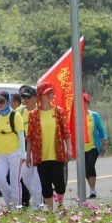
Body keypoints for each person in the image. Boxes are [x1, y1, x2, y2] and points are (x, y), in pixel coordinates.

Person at [26, 81, 72, 213]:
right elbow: (30, 136)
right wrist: (28, 155)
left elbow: (66, 132)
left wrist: (69, 149)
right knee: (45, 185)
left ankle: (61, 205)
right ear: (39, 96)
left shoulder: (58, 111)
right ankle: (51, 210)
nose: (50, 95)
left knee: (59, 183)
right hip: (41, 155)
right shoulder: (34, 114)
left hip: (57, 154)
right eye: (47, 93)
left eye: (52, 92)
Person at [0, 91, 24, 211]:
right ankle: (11, 203)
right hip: (1, 154)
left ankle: (17, 209)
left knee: (15, 181)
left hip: (15, 153)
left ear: (8, 101)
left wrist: (23, 154)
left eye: (2, 101)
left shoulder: (15, 116)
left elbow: (21, 135)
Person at [16, 85, 43, 209]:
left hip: (39, 148)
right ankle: (38, 197)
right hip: (26, 148)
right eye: (23, 97)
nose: (26, 99)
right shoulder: (20, 112)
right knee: (24, 176)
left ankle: (37, 205)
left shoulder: (41, 111)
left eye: (28, 97)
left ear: (36, 98)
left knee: (38, 178)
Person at [81, 92, 107, 200]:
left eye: (85, 102)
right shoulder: (75, 116)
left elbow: (101, 130)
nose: (83, 104)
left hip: (93, 146)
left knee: (90, 166)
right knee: (85, 169)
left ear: (88, 103)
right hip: (81, 148)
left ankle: (92, 189)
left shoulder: (94, 115)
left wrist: (104, 144)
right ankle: (87, 189)